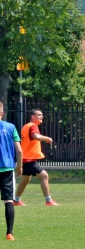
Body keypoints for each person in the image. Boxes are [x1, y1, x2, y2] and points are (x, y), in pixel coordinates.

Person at [13, 108, 59, 206]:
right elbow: (36, 137)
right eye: (39, 115)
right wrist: (47, 138)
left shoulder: (26, 126)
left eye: (42, 115)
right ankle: (48, 201)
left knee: (25, 180)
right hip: (28, 160)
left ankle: (16, 200)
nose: (41, 116)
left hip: (24, 159)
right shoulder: (33, 126)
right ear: (33, 117)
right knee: (44, 176)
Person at [0, 102, 23, 240]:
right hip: (7, 168)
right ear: (2, 113)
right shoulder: (11, 127)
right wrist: (19, 166)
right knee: (8, 200)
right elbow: (19, 150)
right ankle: (9, 233)